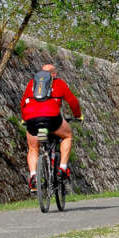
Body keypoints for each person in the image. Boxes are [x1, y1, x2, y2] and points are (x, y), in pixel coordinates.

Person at [21, 63, 82, 191]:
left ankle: (33, 176)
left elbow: (23, 102)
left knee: (33, 148)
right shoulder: (58, 83)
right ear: (54, 74)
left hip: (32, 119)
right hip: (52, 119)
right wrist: (77, 115)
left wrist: (24, 118)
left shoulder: (32, 83)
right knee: (67, 136)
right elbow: (72, 101)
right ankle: (62, 168)